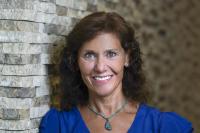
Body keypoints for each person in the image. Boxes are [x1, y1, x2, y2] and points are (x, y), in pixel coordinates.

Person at [39, 12, 193, 133]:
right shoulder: (57, 126)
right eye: (89, 55)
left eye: (111, 54)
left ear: (127, 58)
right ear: (76, 62)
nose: (100, 67)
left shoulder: (163, 127)